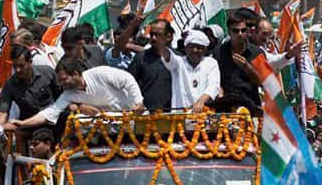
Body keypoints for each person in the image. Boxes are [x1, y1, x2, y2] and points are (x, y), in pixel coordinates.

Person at [13, 57, 145, 128]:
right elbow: (49, 113)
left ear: (75, 74)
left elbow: (127, 80)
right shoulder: (68, 94)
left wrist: (138, 103)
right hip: (110, 128)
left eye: (64, 79)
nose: (61, 84)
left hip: (136, 118)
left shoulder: (100, 73)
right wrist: (24, 123)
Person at [162, 29, 221, 112]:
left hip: (203, 117)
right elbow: (168, 56)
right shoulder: (179, 62)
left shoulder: (211, 63)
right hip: (181, 117)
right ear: (186, 48)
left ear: (205, 50)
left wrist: (201, 101)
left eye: (199, 47)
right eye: (191, 47)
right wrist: (161, 44)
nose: (195, 50)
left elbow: (213, 86)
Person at [127, 19, 173, 112]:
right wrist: (137, 103)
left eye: (158, 34)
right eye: (152, 34)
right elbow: (129, 83)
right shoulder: (141, 58)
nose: (153, 38)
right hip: (147, 116)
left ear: (168, 36)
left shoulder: (179, 59)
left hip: (175, 115)